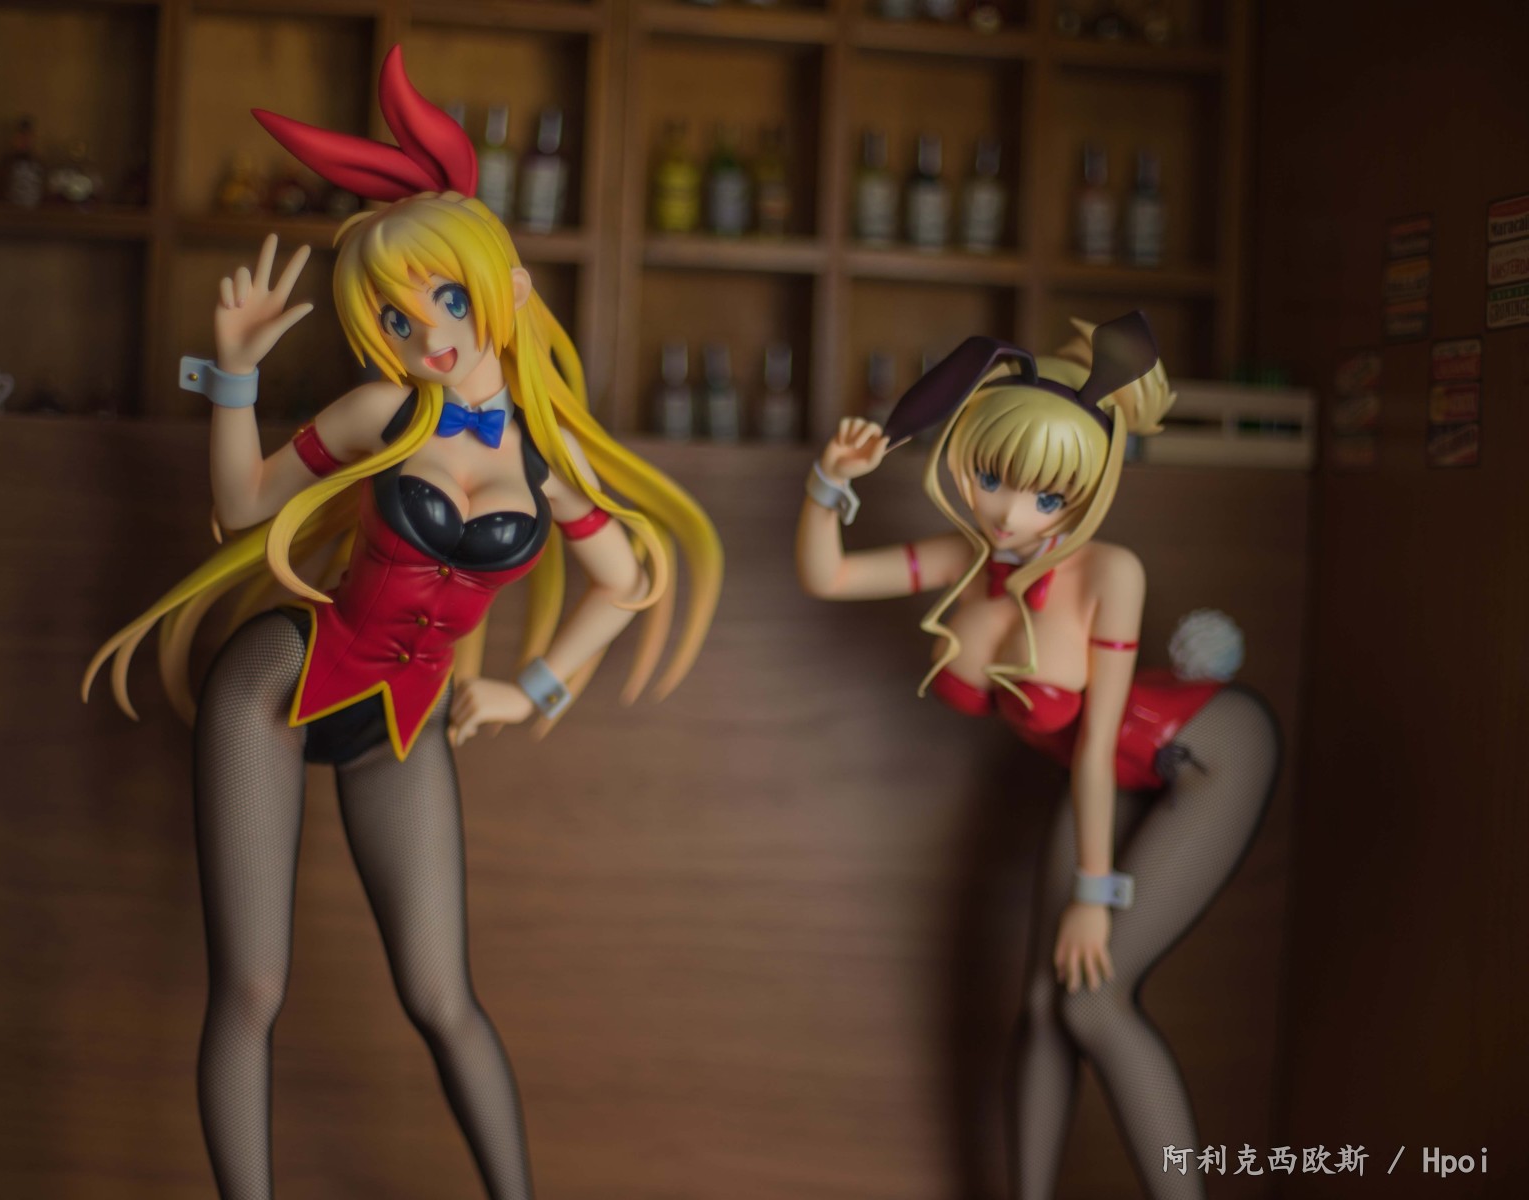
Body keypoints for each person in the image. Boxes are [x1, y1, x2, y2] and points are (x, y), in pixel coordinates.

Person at [84, 47, 721, 1200]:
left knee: (443, 997)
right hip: (279, 680)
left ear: (506, 292)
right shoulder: (386, 410)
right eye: (395, 310)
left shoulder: (546, 456)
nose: (428, 331)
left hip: (405, 709)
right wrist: (233, 376)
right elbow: (244, 509)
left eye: (448, 299)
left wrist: (533, 688)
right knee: (253, 989)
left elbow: (626, 583)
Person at [795, 313, 1278, 1199]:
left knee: (1092, 998)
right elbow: (828, 576)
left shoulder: (1109, 574)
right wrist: (830, 482)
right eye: (992, 478)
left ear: (1087, 493)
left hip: (1207, 752)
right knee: (1042, 1007)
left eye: (1046, 498)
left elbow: (1095, 744)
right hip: (1116, 776)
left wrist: (1095, 895)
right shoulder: (965, 558)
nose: (1011, 513)